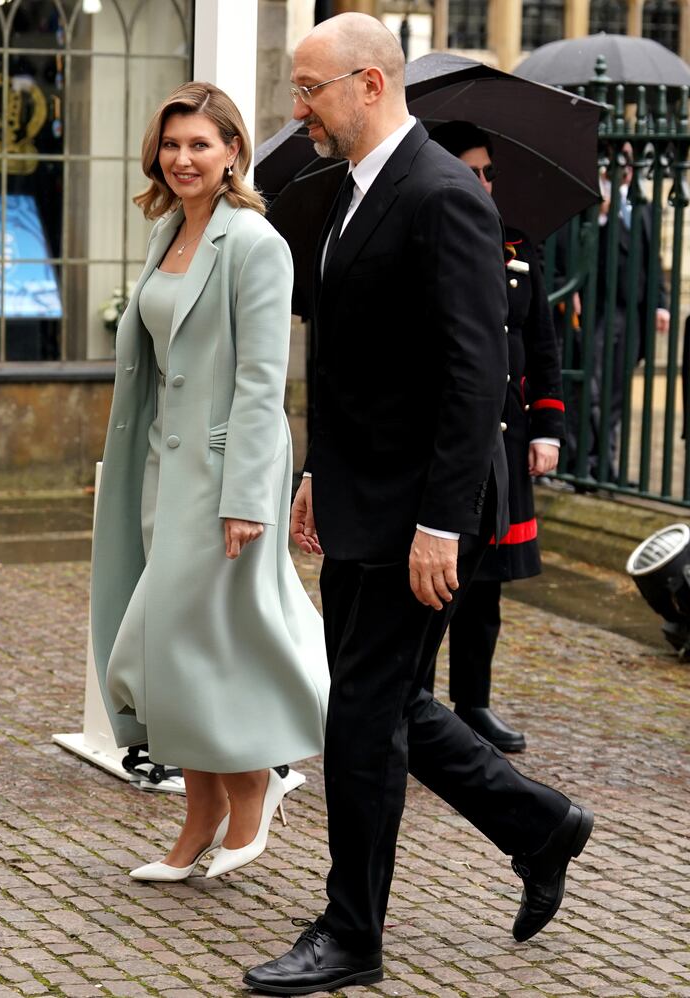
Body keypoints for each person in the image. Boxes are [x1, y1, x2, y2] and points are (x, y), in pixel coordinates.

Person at [244, 15, 593, 996]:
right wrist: (319, 470)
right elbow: (350, 361)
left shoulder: (443, 195)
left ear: (367, 82)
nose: (298, 109)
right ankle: (540, 824)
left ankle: (351, 932)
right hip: (359, 497)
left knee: (360, 718)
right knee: (387, 701)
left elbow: (474, 376)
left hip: (422, 515)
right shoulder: (350, 192)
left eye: (309, 88)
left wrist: (441, 524)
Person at [90, 82, 329, 885]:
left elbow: (263, 382)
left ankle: (254, 782)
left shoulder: (256, 243)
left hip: (227, 476)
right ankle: (199, 820)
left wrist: (245, 498)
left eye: (200, 144)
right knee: (176, 648)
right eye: (171, 143)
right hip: (165, 468)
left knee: (188, 643)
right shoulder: (168, 229)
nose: (182, 158)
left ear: (233, 152)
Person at [427, 121, 566, 753]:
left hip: (507, 437)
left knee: (485, 587)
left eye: (489, 172)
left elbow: (543, 344)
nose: (483, 182)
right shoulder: (431, 235)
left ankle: (473, 703)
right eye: (471, 171)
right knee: (436, 583)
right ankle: (418, 705)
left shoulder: (516, 242)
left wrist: (548, 428)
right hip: (450, 436)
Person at [592, 141, 670, 482]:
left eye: (629, 157)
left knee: (618, 392)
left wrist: (660, 304)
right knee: (594, 388)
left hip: (634, 313)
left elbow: (654, 261)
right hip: (600, 311)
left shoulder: (644, 206)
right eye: (619, 156)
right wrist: (601, 216)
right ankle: (591, 462)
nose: (625, 164)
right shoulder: (593, 203)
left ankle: (609, 465)